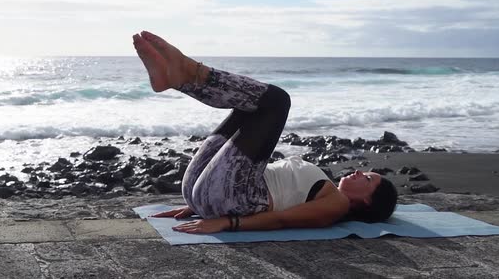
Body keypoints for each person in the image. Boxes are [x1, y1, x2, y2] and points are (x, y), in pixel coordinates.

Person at [133, 31, 398, 234]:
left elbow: (282, 219)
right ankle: (180, 79)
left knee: (278, 101)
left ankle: (190, 73)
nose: (361, 172)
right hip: (208, 193)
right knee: (250, 107)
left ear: (366, 201)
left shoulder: (337, 205)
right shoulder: (328, 188)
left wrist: (227, 223)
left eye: (368, 180)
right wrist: (197, 205)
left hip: (231, 200)